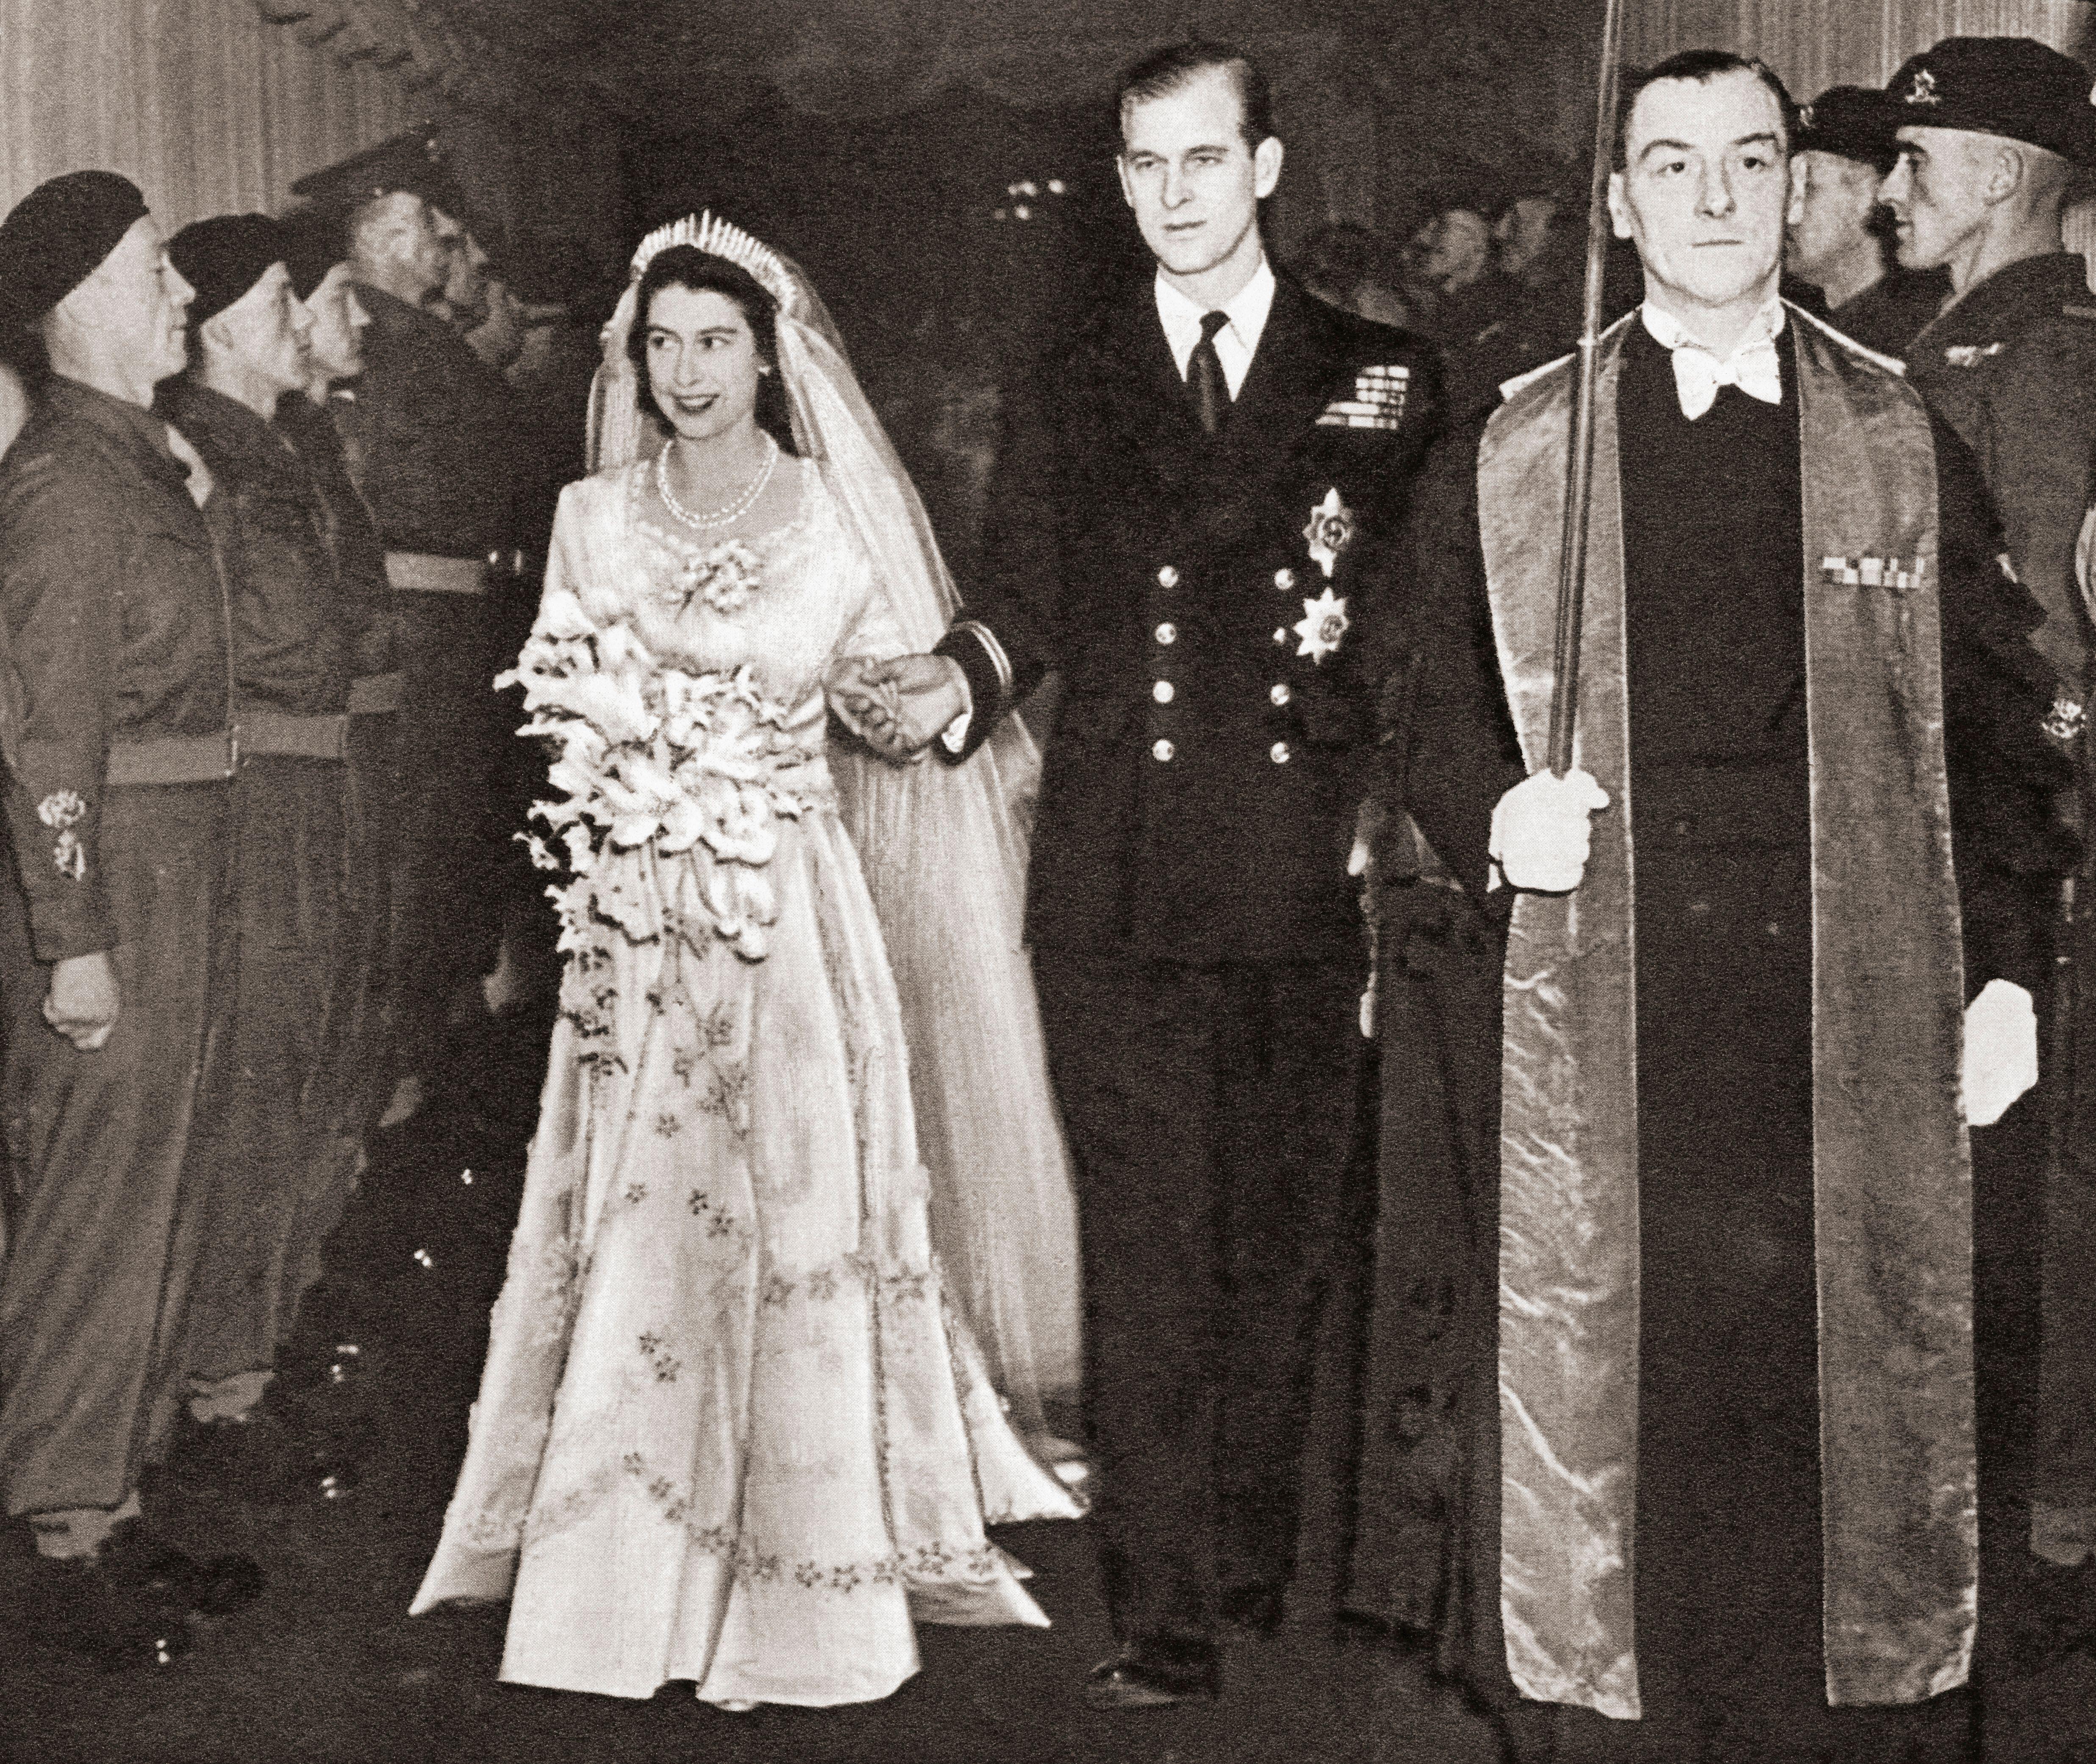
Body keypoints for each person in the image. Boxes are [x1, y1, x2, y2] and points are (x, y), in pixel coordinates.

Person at [1377, 51, 2068, 1763]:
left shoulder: (1895, 432)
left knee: (1835, 1400)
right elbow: (1417, 696)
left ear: (1790, 191)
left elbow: (1994, 733)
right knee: (1627, 1401)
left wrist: (2004, 973)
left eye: (1749, 162)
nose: (1711, 197)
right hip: (1602, 995)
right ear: (1617, 204)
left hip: (1843, 995)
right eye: (1671, 164)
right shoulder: (1515, 442)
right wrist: (1493, 814)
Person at [408, 215, 1084, 1706]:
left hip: (787, 915)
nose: (688, 370)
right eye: (663, 343)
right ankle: (624, 1562)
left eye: (716, 340)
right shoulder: (591, 517)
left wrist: (883, 710)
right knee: (647, 1219)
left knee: (787, 1210)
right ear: (633, 360)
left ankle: (801, 1545)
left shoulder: (836, 515)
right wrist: (625, 782)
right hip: (639, 923)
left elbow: (899, 697)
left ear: (769, 356)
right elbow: (557, 705)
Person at [847, 39, 1444, 1708]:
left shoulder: (1381, 378)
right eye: (1143, 164)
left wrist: (1395, 809)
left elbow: (1411, 622)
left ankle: (1247, 1546)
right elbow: (1025, 594)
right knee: (1148, 1249)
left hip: (1301, 874)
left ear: (1264, 168)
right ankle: (1165, 1604)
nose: (1173, 193)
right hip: (1118, 883)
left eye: (1202, 158)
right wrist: (952, 684)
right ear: (1116, 180)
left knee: (1278, 1244)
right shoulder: (1076, 375)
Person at [0, 172, 265, 1664]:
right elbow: (45, 738)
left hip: (182, 858)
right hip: (117, 880)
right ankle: (67, 1532)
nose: (180, 294)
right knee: (95, 1208)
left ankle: (118, 1489)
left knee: (162, 1189)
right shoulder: (63, 486)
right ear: (78, 300)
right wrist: (75, 937)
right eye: (155, 270)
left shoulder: (137, 463)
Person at [1879, 36, 2096, 1588]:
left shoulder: (2040, 366)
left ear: (2005, 174)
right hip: (1951, 827)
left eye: (1915, 159)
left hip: (2014, 844)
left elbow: (2042, 643)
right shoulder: (1944, 347)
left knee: (2038, 1175)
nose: (1888, 192)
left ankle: (2042, 1503)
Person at [152, 217, 380, 1495]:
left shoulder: (277, 442)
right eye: (288, 297)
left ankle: (260, 1350)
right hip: (259, 796)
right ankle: (223, 1389)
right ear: (234, 320)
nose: (305, 323)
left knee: (304, 1068)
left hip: (316, 779)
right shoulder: (196, 450)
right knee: (252, 1091)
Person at [289, 132, 518, 1128]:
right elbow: (352, 508)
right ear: (384, 235)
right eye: (430, 226)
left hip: (445, 639)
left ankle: (411, 1088)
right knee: (405, 875)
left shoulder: (408, 338)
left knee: (436, 872)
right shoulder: (368, 343)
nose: (444, 246)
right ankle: (380, 1101)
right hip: (411, 644)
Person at [1784, 85, 1948, 358]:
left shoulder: (1916, 337)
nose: (1788, 211)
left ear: (1870, 195)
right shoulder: (1790, 321)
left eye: (1808, 188)